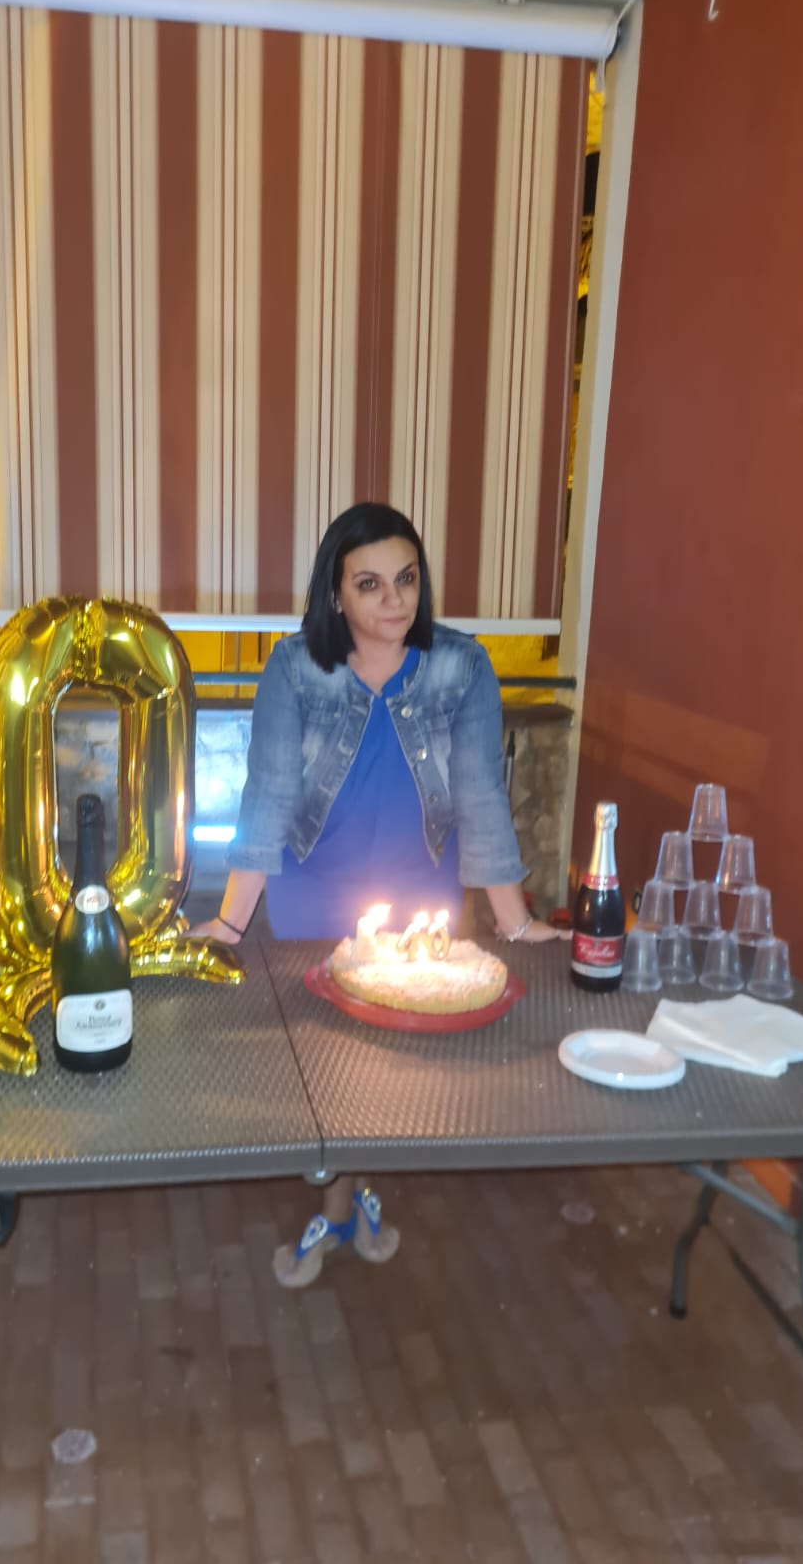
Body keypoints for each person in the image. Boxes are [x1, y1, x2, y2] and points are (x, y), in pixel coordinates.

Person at [193, 503, 565, 1286]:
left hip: (417, 891)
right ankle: (344, 1197)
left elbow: (481, 796)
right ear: (335, 594)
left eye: (407, 579)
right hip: (314, 893)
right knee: (324, 1068)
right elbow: (267, 794)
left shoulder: (461, 666)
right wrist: (230, 923)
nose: (394, 600)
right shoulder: (295, 667)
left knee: (392, 1062)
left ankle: (344, 1197)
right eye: (370, 584)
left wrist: (514, 922)